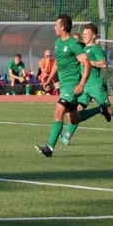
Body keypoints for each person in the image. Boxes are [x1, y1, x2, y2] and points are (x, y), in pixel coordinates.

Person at [60, 23, 113, 145]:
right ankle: (67, 136)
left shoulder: (95, 49)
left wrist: (88, 62)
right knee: (77, 111)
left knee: (110, 111)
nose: (84, 36)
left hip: (96, 86)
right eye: (83, 34)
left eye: (86, 34)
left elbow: (104, 64)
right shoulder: (82, 48)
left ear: (93, 36)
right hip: (83, 85)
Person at [35, 14, 91, 157]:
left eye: (56, 25)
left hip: (72, 85)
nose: (54, 27)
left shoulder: (73, 44)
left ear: (63, 28)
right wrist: (49, 79)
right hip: (64, 85)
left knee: (58, 110)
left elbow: (87, 64)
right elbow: (58, 63)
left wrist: (82, 84)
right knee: (74, 119)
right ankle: (100, 110)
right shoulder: (58, 43)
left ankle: (49, 148)